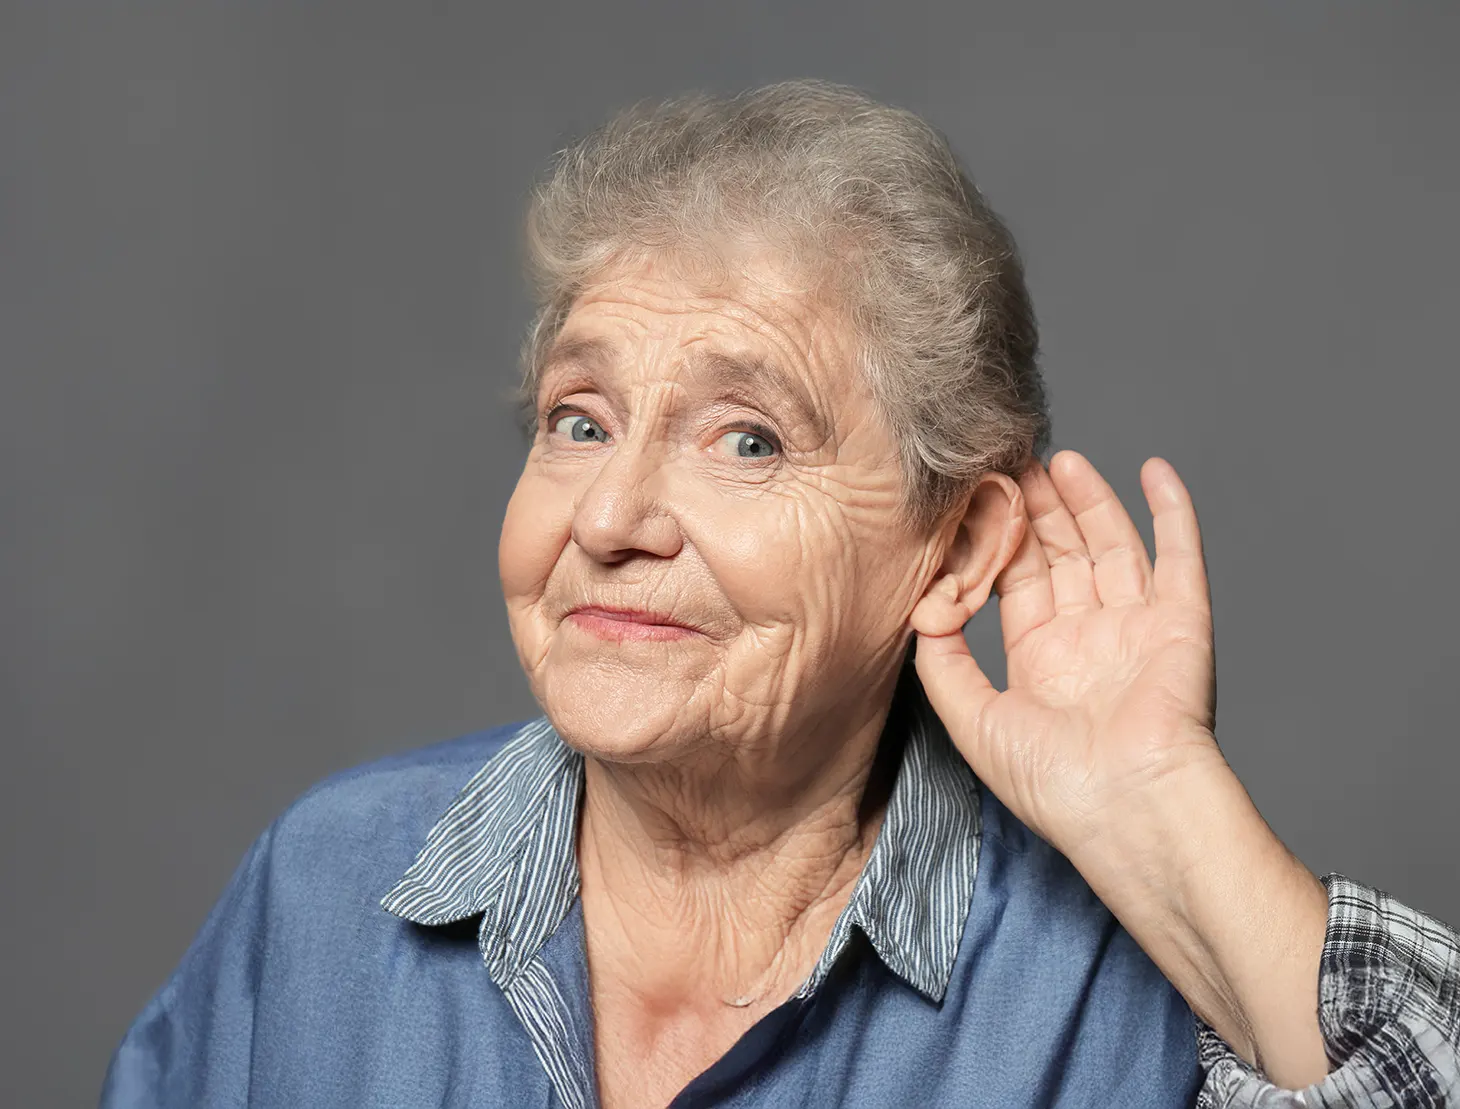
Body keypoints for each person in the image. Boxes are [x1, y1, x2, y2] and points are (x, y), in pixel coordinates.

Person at [101, 80, 1460, 1109]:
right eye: (579, 419)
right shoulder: (326, 889)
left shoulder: (1125, 981)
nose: (612, 517)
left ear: (957, 549)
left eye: (747, 439)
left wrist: (1160, 804)